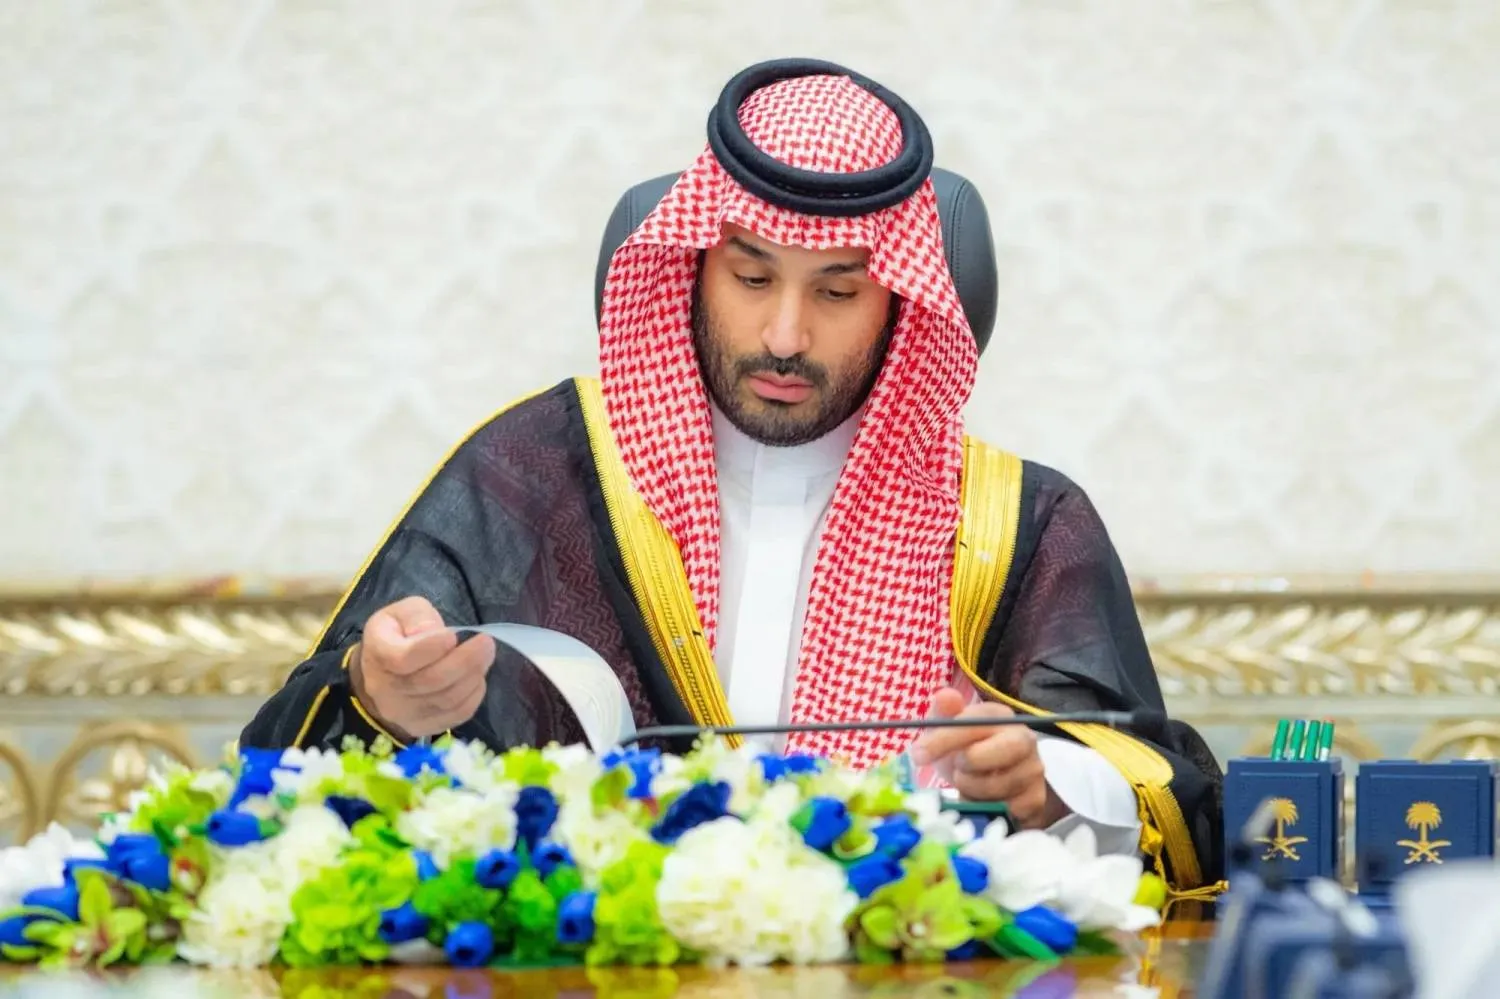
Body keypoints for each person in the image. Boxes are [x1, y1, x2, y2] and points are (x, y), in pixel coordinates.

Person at [240, 59, 1224, 894]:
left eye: (839, 291)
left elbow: (1169, 801)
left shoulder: (1019, 522)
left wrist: (1048, 784)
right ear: (691, 264)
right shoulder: (535, 474)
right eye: (752, 279)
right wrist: (386, 699)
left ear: (904, 303)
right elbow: (282, 773)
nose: (785, 336)